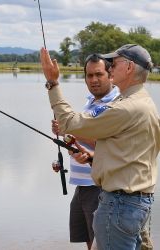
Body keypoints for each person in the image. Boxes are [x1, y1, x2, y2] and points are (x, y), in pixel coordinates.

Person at [41, 44, 159, 250]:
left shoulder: (126, 108)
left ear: (130, 67)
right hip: (133, 202)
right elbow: (129, 153)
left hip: (120, 204)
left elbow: (69, 122)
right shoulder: (144, 102)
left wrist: (52, 82)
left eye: (115, 62)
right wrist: (94, 158)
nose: (111, 67)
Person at [51, 54, 120, 249]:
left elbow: (109, 145)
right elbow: (84, 139)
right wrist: (67, 136)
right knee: (89, 240)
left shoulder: (115, 104)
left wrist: (71, 130)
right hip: (82, 184)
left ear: (111, 75)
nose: (94, 80)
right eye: (89, 75)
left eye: (99, 74)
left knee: (102, 242)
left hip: (99, 186)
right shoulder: (91, 102)